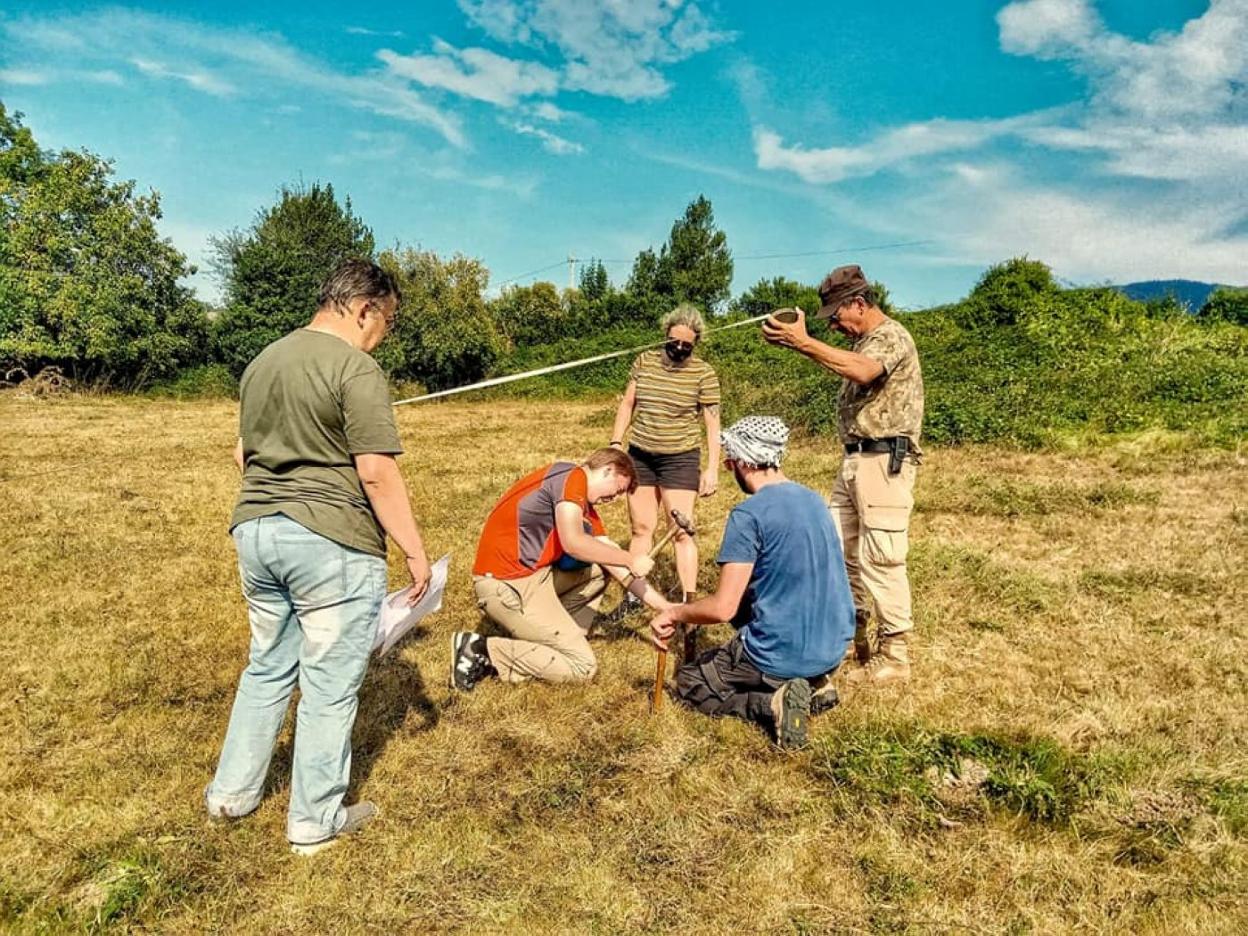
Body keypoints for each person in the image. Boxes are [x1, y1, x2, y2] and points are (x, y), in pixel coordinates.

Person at [205, 259, 432, 856]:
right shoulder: (356, 368)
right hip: (332, 542)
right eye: (387, 320)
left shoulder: (263, 362)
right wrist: (415, 552)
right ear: (364, 309)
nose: (384, 332)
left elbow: (241, 454)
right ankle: (315, 820)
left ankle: (230, 794)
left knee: (267, 667)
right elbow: (377, 473)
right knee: (331, 685)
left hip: (256, 531)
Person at [762, 264, 924, 686]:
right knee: (836, 551)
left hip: (884, 461)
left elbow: (863, 371)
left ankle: (897, 653)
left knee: (881, 557)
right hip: (855, 461)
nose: (834, 324)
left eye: (837, 315)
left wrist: (804, 343)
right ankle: (854, 635)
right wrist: (802, 345)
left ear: (859, 302)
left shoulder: (890, 337)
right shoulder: (864, 342)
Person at [649, 417, 854, 748]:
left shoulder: (749, 515)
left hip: (783, 653)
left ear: (743, 461)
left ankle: (769, 704)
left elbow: (722, 608)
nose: (729, 467)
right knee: (749, 602)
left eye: (730, 461)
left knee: (690, 682)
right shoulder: (814, 499)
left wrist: (674, 612)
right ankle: (815, 683)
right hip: (833, 648)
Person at [451, 448, 672, 690]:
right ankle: (480, 650)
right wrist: (630, 559)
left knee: (601, 568)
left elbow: (614, 564)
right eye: (617, 490)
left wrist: (667, 608)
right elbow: (574, 543)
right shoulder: (571, 477)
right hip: (505, 586)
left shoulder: (580, 503)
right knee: (582, 667)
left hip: (533, 579)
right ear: (608, 469)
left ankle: (559, 641)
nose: (615, 499)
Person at [609, 303, 721, 612]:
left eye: (688, 344)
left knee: (681, 531)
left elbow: (712, 424)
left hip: (680, 458)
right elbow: (628, 403)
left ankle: (688, 602)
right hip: (641, 456)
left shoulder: (704, 373)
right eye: (675, 342)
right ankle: (633, 598)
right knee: (642, 528)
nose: (680, 348)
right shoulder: (644, 361)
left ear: (696, 343)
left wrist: (711, 468)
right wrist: (617, 442)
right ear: (665, 336)